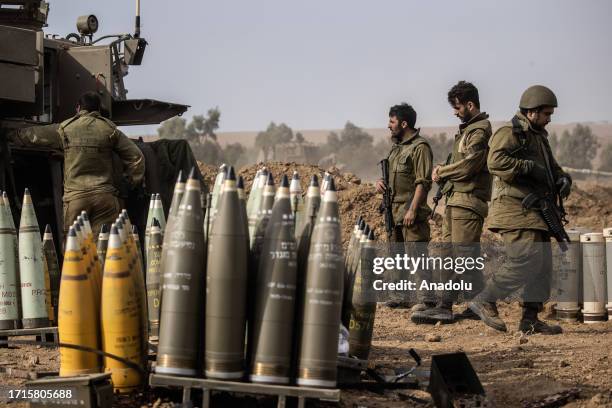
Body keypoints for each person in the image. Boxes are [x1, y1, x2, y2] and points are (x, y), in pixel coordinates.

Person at [468, 85, 571, 335]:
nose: (549, 119)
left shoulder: (539, 137)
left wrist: (563, 178)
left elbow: (552, 169)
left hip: (536, 210)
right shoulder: (510, 132)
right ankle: (486, 298)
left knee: (544, 263)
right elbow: (495, 161)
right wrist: (527, 166)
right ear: (532, 111)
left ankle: (530, 319)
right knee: (526, 258)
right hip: (515, 209)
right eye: (546, 114)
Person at [9, 91, 144, 239]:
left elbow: (33, 136)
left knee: (75, 249)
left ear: (78, 108)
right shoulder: (109, 130)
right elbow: (136, 156)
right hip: (105, 198)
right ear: (98, 110)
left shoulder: (66, 128)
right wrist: (129, 183)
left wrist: (11, 135)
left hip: (76, 199)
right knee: (104, 245)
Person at [411, 81, 492, 324]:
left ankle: (446, 306)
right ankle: (473, 304)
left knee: (462, 256)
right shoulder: (467, 130)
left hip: (468, 203)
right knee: (449, 254)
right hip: (456, 201)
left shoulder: (478, 131)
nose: (454, 111)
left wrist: (443, 171)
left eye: (457, 107)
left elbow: (470, 165)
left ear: (470, 104)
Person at [376, 103, 435, 313]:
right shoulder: (396, 149)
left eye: (392, 121)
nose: (388, 126)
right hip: (394, 210)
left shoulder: (420, 148)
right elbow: (393, 178)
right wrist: (381, 184)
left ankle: (426, 299)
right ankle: (399, 296)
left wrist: (412, 209)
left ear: (403, 123)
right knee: (396, 254)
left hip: (411, 212)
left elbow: (423, 182)